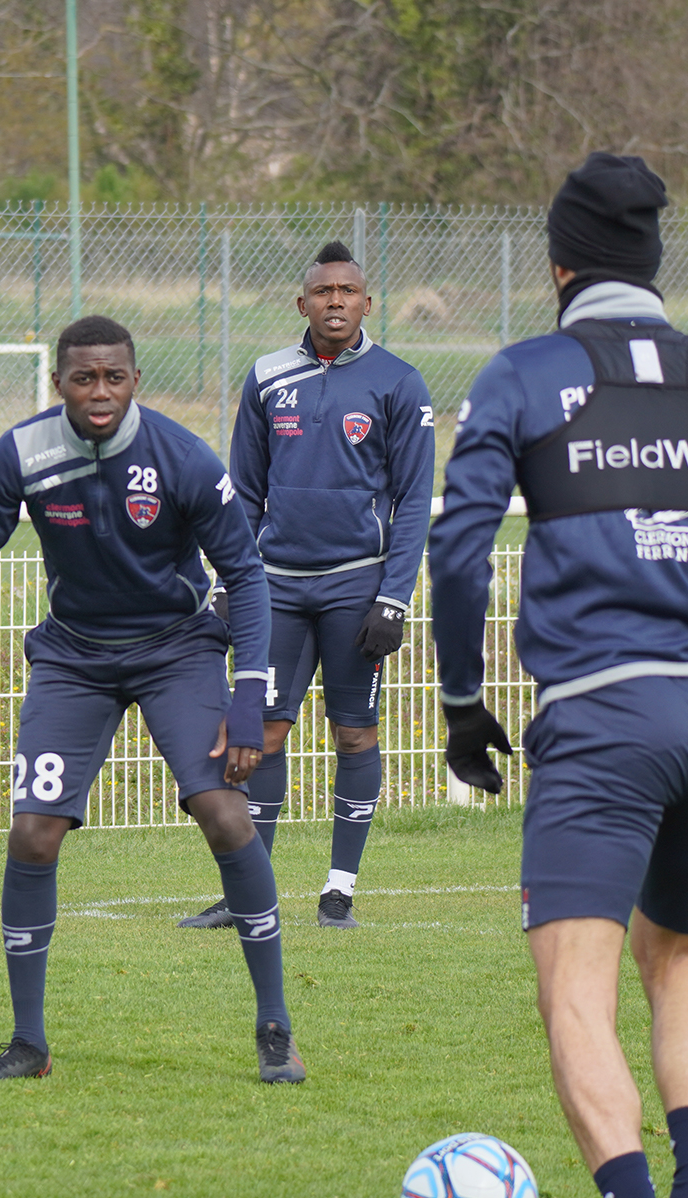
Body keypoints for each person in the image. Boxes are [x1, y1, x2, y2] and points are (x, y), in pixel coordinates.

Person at [0, 314, 304, 1085]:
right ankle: (29, 1043)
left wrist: (251, 693)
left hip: (177, 652)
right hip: (74, 658)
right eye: (84, 377)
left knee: (225, 812)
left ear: (135, 380)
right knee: (33, 835)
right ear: (58, 384)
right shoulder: (21, 454)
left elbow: (247, 576)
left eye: (114, 376)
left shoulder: (181, 457)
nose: (100, 391)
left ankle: (275, 1026)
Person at [431, 153, 688, 1198]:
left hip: (604, 718)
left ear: (557, 267)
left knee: (574, 993)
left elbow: (457, 553)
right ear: (651, 261)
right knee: (679, 958)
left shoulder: (522, 374)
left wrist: (464, 704)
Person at [179, 241, 434, 931]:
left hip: (358, 587)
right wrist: (231, 582)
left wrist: (395, 597)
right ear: (302, 303)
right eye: (323, 293)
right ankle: (248, 896)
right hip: (276, 589)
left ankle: (338, 894)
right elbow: (245, 494)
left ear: (366, 302)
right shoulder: (267, 378)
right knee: (260, 734)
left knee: (355, 737)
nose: (336, 303)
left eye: (348, 292)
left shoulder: (400, 382)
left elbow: (413, 501)